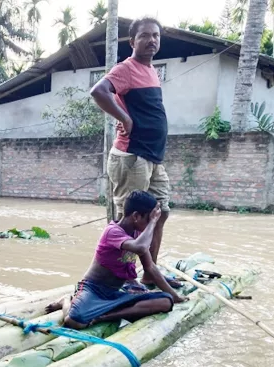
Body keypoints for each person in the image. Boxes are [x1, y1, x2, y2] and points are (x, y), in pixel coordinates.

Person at [90, 17, 175, 288]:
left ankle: (149, 272)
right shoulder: (126, 68)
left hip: (151, 157)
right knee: (129, 223)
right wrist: (124, 119)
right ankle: (121, 281)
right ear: (132, 41)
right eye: (145, 36)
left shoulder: (151, 71)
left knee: (160, 213)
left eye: (156, 36)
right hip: (131, 156)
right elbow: (99, 91)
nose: (152, 40)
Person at [47, 191, 187, 329]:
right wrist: (153, 222)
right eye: (148, 220)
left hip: (117, 291)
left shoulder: (138, 234)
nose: (152, 224)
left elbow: (150, 267)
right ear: (136, 216)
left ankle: (105, 316)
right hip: (94, 290)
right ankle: (66, 300)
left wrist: (175, 297)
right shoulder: (113, 232)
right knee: (73, 321)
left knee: (165, 301)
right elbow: (140, 247)